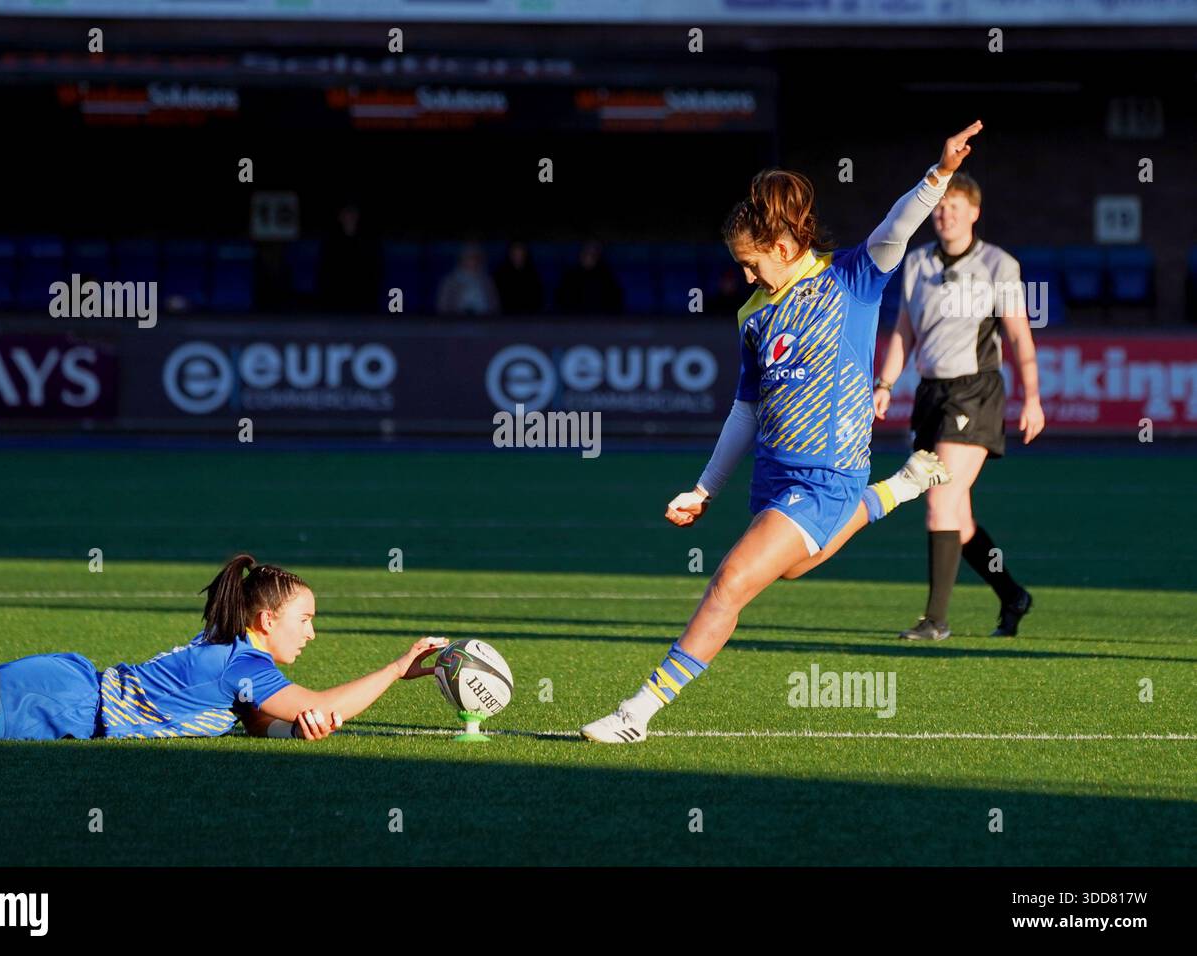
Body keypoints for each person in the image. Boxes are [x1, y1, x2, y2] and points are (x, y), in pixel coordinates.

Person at [581, 121, 985, 744]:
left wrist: (940, 173)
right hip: (776, 474)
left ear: (782, 242)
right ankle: (896, 490)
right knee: (792, 571)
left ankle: (638, 712)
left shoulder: (852, 276)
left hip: (824, 477)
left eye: (749, 263)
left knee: (730, 583)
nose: (744, 277)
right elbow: (745, 408)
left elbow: (898, 226)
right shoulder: (753, 314)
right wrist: (705, 488)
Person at [0, 555, 447, 742]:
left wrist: (290, 728)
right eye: (305, 620)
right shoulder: (241, 663)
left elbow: (255, 719)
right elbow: (321, 707)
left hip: (62, 684)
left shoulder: (232, 650)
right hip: (58, 701)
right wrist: (399, 667)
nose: (311, 633)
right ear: (266, 619)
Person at [874, 172, 1042, 640]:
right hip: (931, 395)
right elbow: (904, 331)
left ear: (974, 212)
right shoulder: (916, 263)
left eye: (955, 205)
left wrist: (1032, 397)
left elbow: (1018, 336)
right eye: (940, 206)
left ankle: (935, 620)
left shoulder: (997, 264)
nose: (945, 213)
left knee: (939, 499)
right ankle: (1013, 596)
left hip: (975, 392)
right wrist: (885, 382)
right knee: (958, 517)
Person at [436, 241, 501, 315]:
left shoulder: (487, 281)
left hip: (484, 322)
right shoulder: (450, 281)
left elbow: (495, 306)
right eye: (470, 257)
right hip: (457, 321)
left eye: (476, 258)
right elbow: (442, 306)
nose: (474, 261)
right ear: (462, 259)